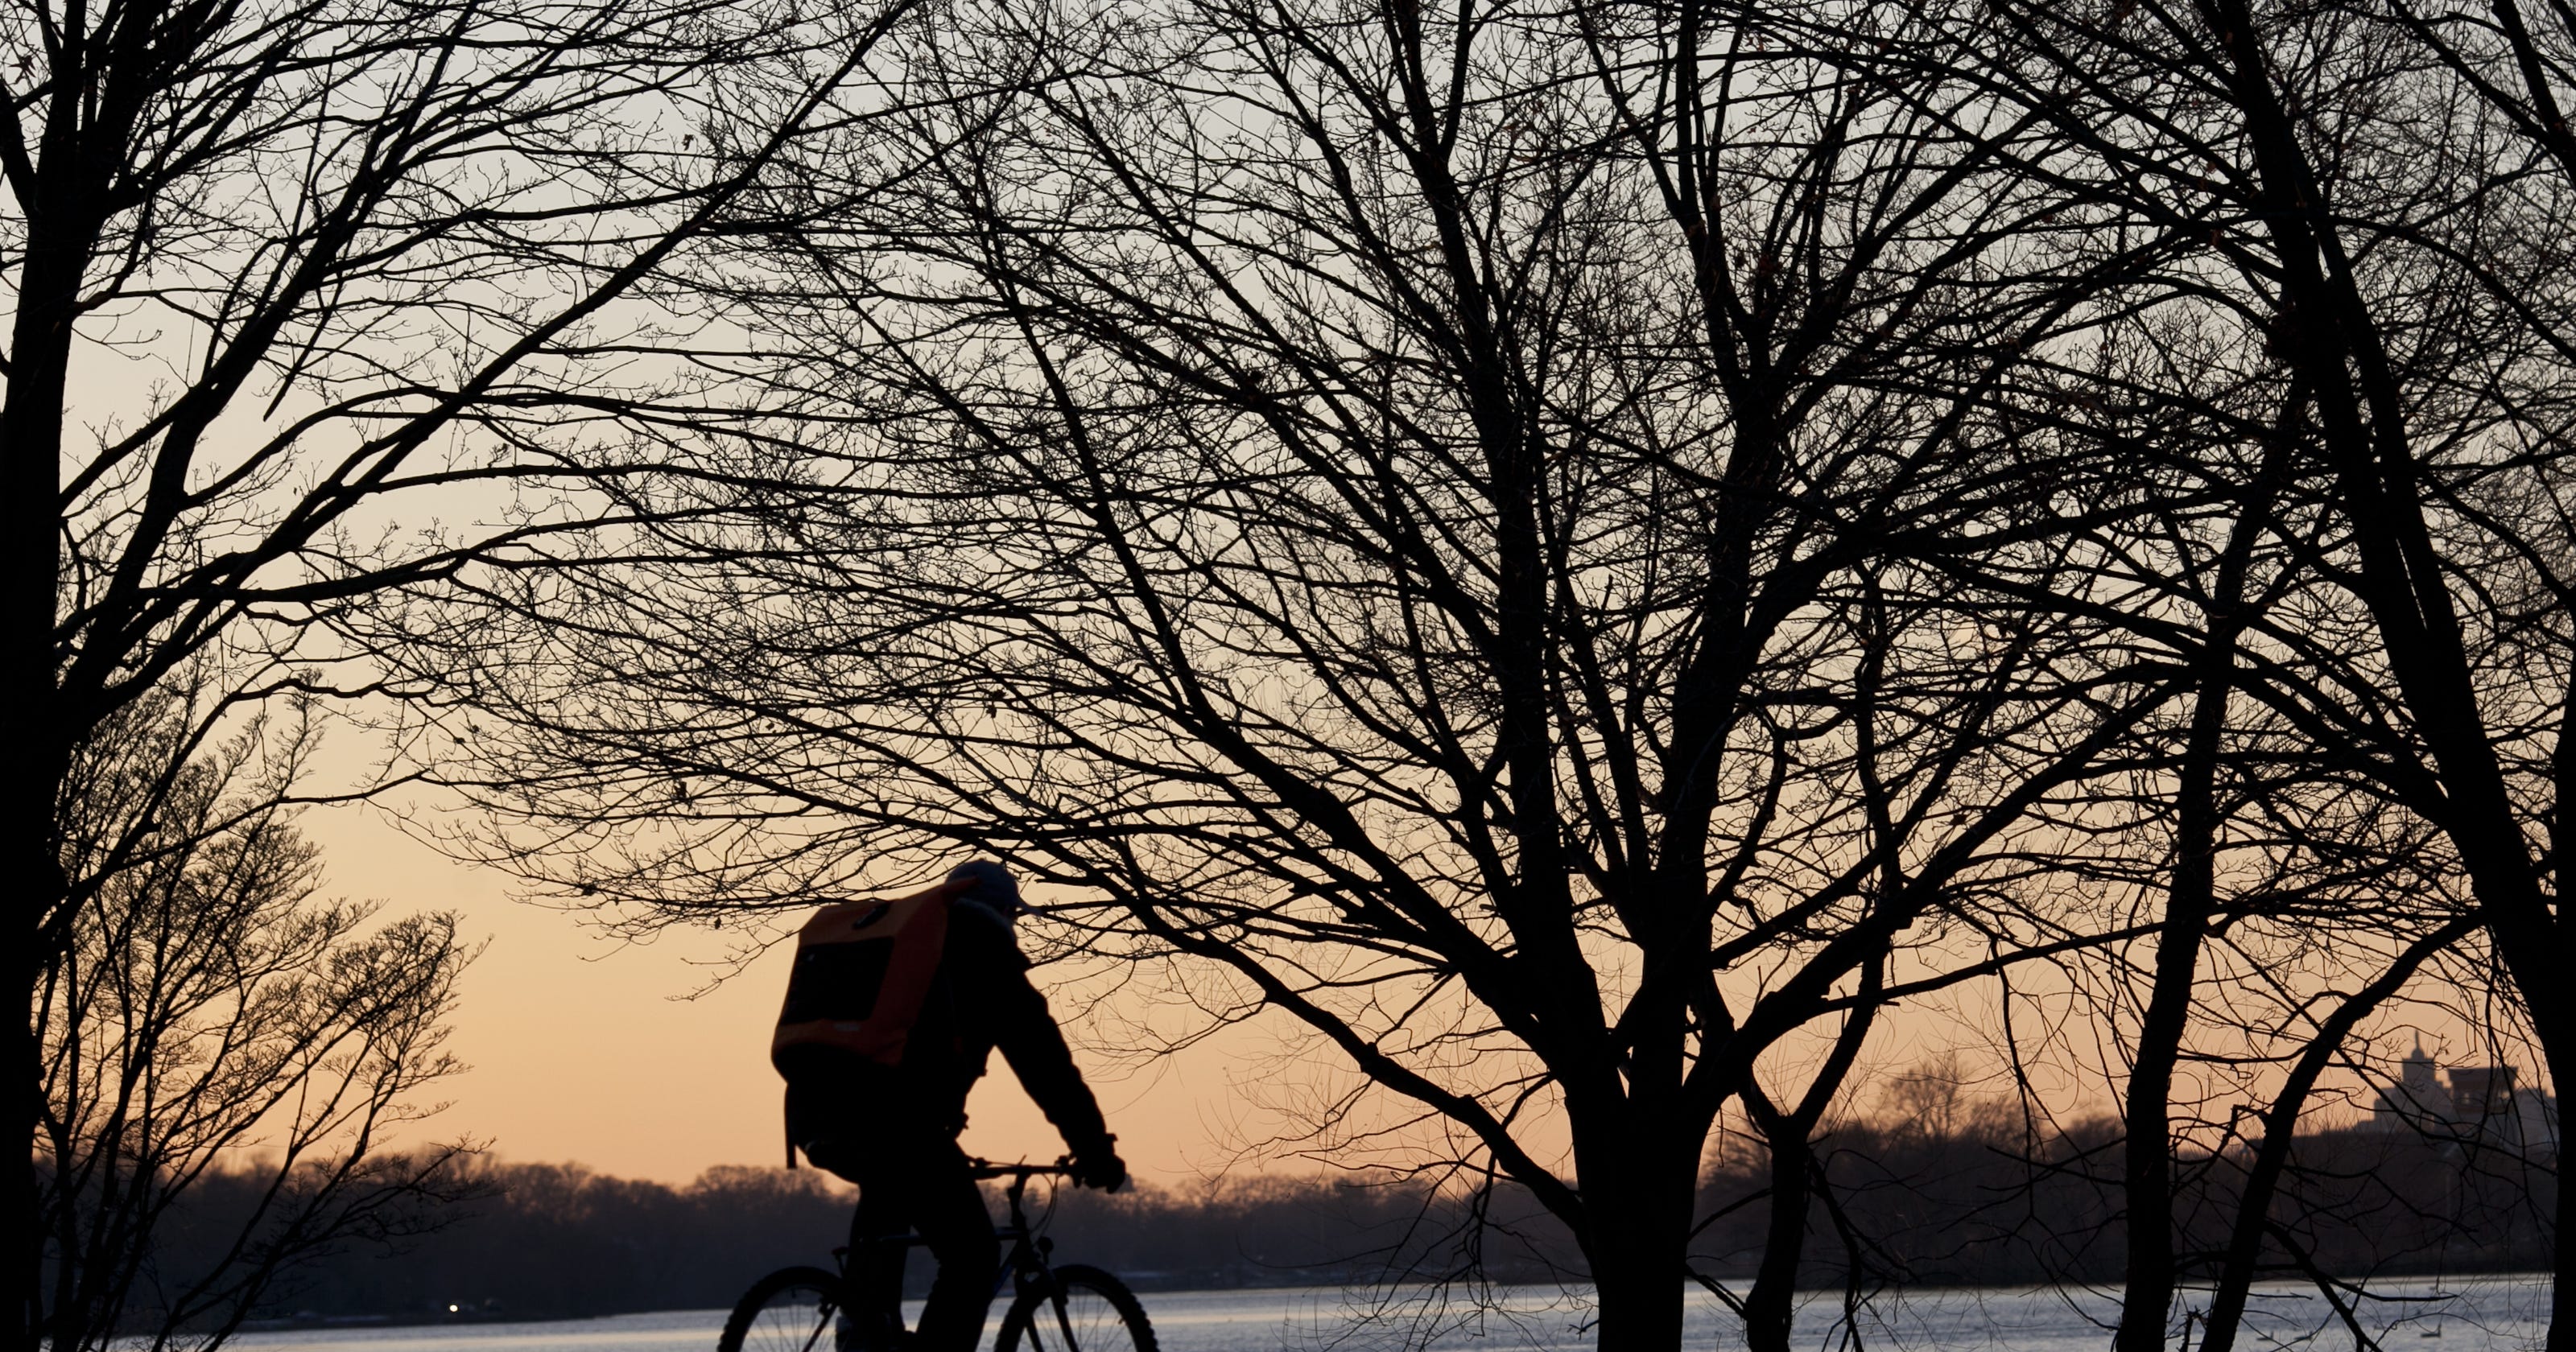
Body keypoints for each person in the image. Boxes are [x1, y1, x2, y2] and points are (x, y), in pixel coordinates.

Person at [775, 859, 1125, 1352]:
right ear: (1005, 911)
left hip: (815, 1115)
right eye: (1016, 917)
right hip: (897, 1124)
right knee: (974, 1256)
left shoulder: (906, 943)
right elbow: (1046, 1066)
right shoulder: (983, 954)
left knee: (889, 1200)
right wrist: (1094, 1149)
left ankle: (864, 1329)